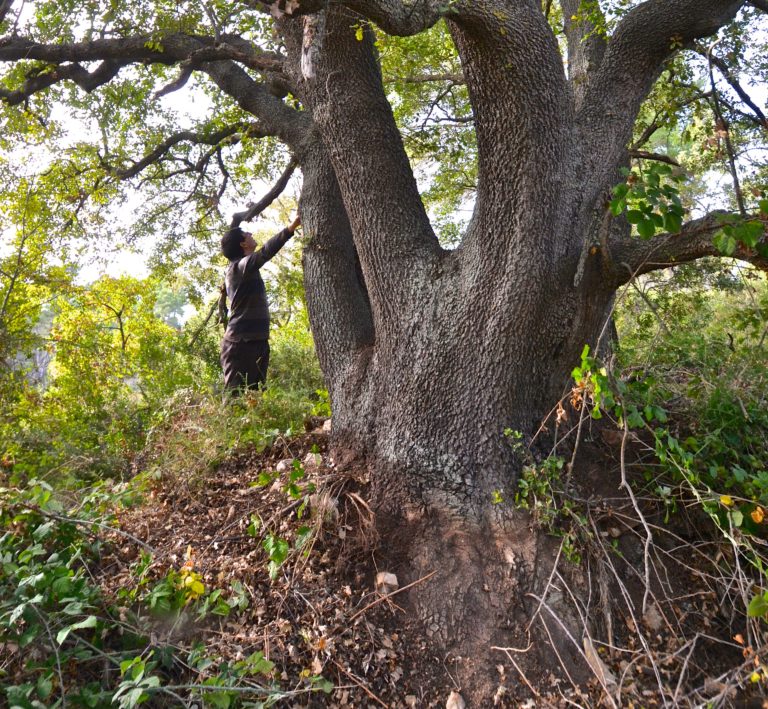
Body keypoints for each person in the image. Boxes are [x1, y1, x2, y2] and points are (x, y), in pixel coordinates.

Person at [219, 216, 301, 391]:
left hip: (257, 341)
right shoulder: (239, 267)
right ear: (243, 244)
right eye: (246, 234)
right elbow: (265, 252)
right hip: (240, 345)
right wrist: (290, 228)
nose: (250, 233)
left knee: (255, 398)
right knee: (236, 399)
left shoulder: (243, 268)